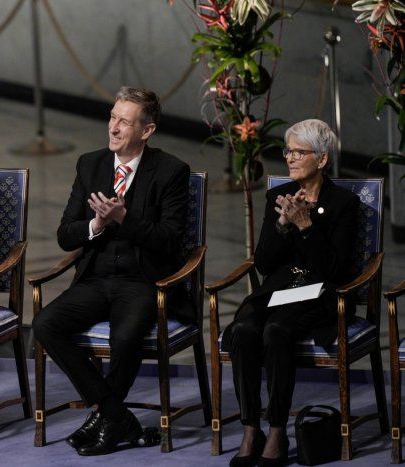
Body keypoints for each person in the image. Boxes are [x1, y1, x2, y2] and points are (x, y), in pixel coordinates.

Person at [31, 86, 192, 456]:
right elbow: (64, 235)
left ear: (146, 131)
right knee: (44, 324)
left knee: (126, 337)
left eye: (124, 121)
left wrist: (124, 218)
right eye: (112, 117)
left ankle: (108, 418)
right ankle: (115, 415)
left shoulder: (170, 171)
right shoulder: (91, 165)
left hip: (143, 281)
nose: (114, 128)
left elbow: (170, 241)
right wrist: (96, 226)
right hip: (96, 278)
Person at [222, 119, 359, 467]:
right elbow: (265, 262)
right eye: (288, 151)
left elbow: (336, 270)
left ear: (322, 159)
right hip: (280, 289)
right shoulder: (276, 197)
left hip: (321, 294)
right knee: (242, 329)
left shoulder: (344, 204)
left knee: (276, 330)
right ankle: (251, 427)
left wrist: (305, 226)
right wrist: (282, 225)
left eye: (300, 152)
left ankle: (278, 430)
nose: (291, 158)